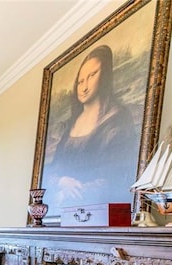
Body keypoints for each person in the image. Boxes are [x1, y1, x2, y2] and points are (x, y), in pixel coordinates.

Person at [42, 44, 139, 213]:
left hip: (98, 210)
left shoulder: (118, 119)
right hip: (69, 209)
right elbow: (53, 169)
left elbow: (118, 176)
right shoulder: (70, 125)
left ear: (105, 75)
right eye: (80, 81)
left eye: (92, 75)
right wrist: (61, 182)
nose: (84, 86)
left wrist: (74, 192)